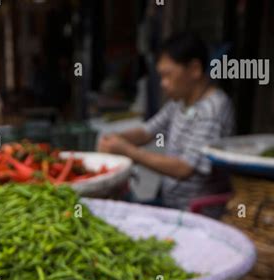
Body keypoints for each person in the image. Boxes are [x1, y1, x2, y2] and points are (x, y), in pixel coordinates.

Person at [98, 32, 235, 213]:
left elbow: (184, 168)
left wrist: (128, 150)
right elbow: (148, 131)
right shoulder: (180, 102)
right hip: (170, 202)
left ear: (194, 69)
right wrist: (117, 138)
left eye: (168, 75)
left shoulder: (213, 109)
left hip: (196, 212)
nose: (163, 84)